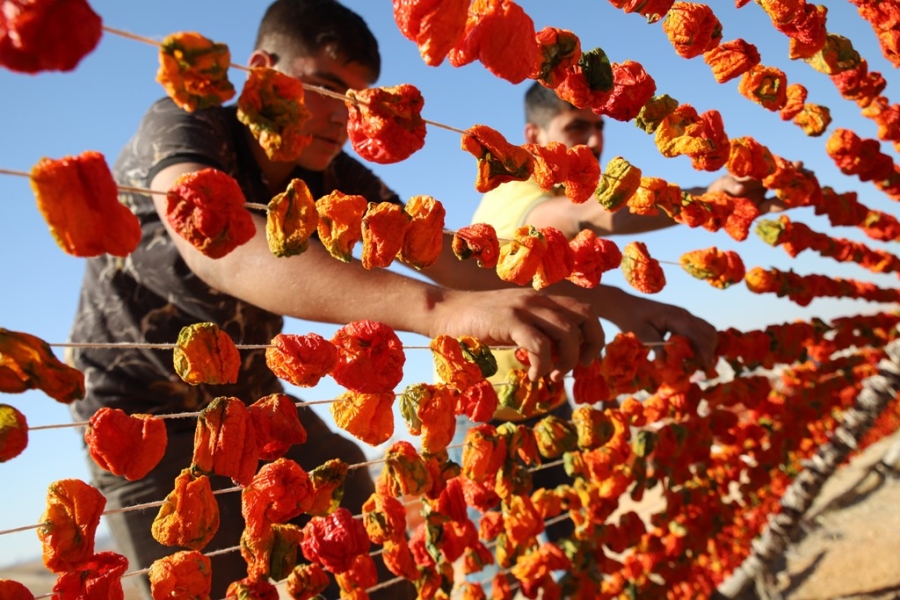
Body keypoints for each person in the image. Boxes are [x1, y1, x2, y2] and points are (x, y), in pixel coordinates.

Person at [66, 3, 604, 599]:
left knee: (361, 537)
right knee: (193, 576)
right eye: (325, 88)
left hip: (251, 395)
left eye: (358, 98)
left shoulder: (334, 176)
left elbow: (442, 253)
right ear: (262, 71)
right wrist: (441, 311)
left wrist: (613, 309)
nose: (345, 116)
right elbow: (220, 246)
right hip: (138, 412)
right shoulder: (187, 124)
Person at [449, 82, 773, 589]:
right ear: (533, 136)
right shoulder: (520, 199)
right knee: (502, 575)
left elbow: (559, 271)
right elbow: (591, 214)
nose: (596, 141)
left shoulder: (544, 201)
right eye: (577, 127)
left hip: (545, 409)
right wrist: (701, 198)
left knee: (575, 554)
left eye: (599, 126)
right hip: (485, 424)